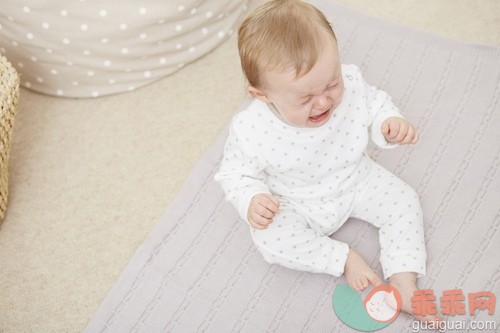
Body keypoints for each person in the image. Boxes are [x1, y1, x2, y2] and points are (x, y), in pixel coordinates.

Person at [215, 0, 438, 322]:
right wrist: (252, 198)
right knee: (269, 238)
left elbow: (374, 104)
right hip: (295, 199)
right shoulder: (251, 129)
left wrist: (388, 123)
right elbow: (235, 174)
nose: (324, 101)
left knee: (403, 200)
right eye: (305, 98)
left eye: (332, 83)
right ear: (262, 95)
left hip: (356, 178)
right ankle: (344, 259)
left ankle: (404, 283)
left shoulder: (351, 82)